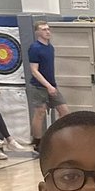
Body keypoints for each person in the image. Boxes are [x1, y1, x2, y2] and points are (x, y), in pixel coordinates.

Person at [27, 20, 69, 151]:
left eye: (48, 29)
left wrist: (52, 85)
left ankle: (55, 136)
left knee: (64, 111)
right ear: (37, 32)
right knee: (40, 112)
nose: (47, 31)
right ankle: (37, 141)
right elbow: (34, 70)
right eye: (44, 29)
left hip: (52, 84)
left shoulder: (50, 47)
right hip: (39, 86)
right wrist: (47, 85)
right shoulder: (35, 48)